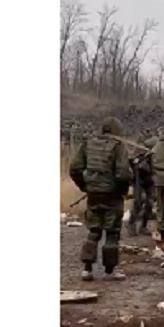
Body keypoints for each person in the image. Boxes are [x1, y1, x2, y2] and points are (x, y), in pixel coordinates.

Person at [68, 116, 132, 281]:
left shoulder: (87, 144)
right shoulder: (118, 146)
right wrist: (122, 190)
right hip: (112, 195)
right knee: (112, 232)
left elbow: (75, 168)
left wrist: (85, 186)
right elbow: (123, 173)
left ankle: (87, 269)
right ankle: (109, 271)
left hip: (93, 194)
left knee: (93, 230)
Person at [126, 145, 156, 237]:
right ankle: (131, 223)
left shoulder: (154, 155)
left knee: (149, 204)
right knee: (139, 202)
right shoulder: (137, 157)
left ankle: (143, 227)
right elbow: (129, 165)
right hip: (139, 181)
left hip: (150, 181)